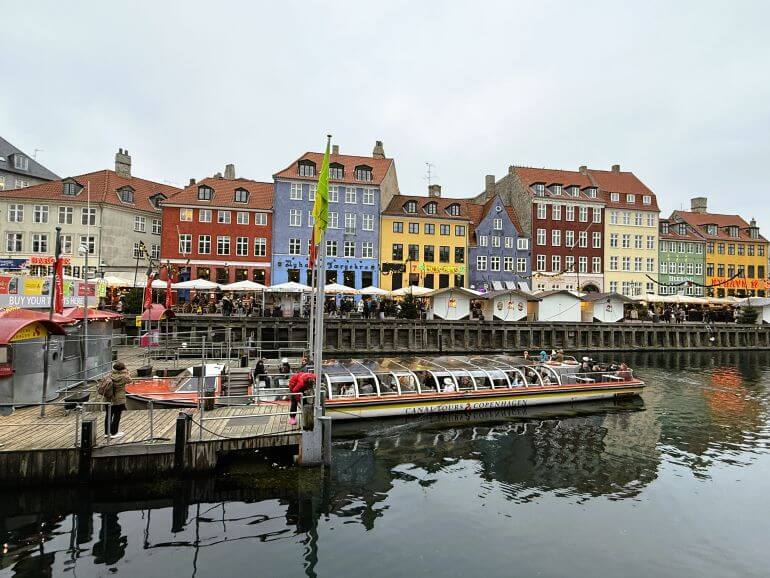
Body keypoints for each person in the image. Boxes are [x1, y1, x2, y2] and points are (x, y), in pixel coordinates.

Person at [100, 362, 131, 438]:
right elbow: (130, 381)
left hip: (108, 398)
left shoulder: (109, 375)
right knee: (117, 415)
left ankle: (107, 433)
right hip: (118, 399)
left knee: (108, 415)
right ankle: (114, 432)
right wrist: (127, 371)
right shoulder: (124, 377)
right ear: (123, 368)